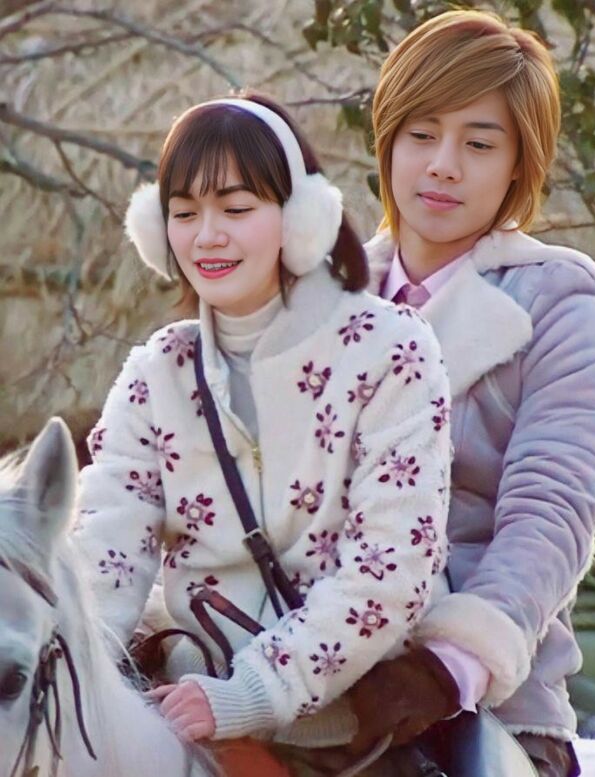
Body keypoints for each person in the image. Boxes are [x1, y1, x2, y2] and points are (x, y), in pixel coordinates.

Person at [72, 94, 453, 771]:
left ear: (301, 218)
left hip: (353, 732)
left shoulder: (392, 350)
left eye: (236, 209)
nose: (206, 236)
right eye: (184, 214)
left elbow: (390, 569)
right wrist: (71, 674)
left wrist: (249, 693)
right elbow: (104, 555)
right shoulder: (157, 372)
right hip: (187, 714)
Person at [349, 9, 595, 777]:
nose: (443, 165)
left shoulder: (561, 312)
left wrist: (451, 664)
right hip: (295, 663)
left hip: (478, 703)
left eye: (478, 144)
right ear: (389, 141)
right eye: (422, 134)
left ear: (517, 165)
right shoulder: (317, 300)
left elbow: (550, 515)